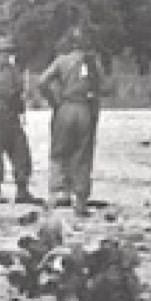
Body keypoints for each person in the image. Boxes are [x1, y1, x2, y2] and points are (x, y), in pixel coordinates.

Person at [38, 27, 104, 215]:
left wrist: (53, 100)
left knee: (59, 151)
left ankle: (55, 194)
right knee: (82, 153)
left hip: (65, 107)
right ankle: (80, 199)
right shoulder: (93, 63)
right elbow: (103, 85)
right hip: (84, 108)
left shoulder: (61, 61)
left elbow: (42, 82)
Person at [0, 35, 39, 204]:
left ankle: (22, 190)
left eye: (8, 52)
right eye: (2, 52)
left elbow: (19, 93)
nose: (6, 56)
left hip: (11, 116)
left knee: (21, 153)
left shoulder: (14, 70)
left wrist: (21, 110)